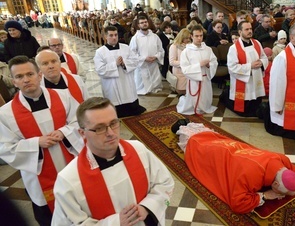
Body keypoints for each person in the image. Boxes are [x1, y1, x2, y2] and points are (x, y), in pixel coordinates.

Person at [52, 97, 174, 225]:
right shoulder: (69, 179)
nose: (110, 133)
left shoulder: (139, 150)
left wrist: (147, 207)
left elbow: (165, 182)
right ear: (82, 133)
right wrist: (115, 222)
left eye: (114, 123)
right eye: (99, 128)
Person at [0, 56, 83, 225]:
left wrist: (63, 132)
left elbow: (80, 121)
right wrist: (36, 143)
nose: (26, 80)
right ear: (14, 82)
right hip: (39, 177)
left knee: (81, 203)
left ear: (39, 75)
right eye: (19, 76)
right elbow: (5, 148)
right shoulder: (5, 114)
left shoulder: (63, 96)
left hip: (71, 163)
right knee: (48, 216)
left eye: (30, 74)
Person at [173, 121, 295, 214]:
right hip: (219, 155)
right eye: (279, 191)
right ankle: (182, 127)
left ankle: (189, 125)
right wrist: (265, 195)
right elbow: (238, 204)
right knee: (201, 147)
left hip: (236, 151)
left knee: (219, 142)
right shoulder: (251, 176)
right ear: (276, 183)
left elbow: (294, 173)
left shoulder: (281, 159)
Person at [94, 25, 146, 118]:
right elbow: (100, 70)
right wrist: (115, 64)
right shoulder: (100, 52)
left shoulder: (125, 47)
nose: (114, 37)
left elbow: (135, 60)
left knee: (130, 97)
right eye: (111, 35)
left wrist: (124, 64)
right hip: (112, 84)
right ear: (105, 36)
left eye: (115, 35)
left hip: (126, 80)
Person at [220, 21, 268, 117]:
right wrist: (250, 66)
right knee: (244, 106)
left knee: (256, 99)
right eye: (246, 29)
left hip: (256, 77)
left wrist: (262, 62)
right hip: (244, 80)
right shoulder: (234, 48)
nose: (250, 31)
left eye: (250, 29)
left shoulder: (257, 43)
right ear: (240, 32)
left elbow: (264, 57)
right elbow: (232, 67)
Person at [176, 25, 218, 115]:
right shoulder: (186, 51)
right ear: (191, 36)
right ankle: (194, 107)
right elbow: (185, 68)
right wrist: (199, 65)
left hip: (205, 78)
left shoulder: (208, 49)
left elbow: (214, 62)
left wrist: (209, 65)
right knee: (194, 100)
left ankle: (205, 106)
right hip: (194, 80)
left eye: (201, 36)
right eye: (196, 36)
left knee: (205, 97)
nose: (199, 38)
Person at [129, 15, 164, 95]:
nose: (144, 24)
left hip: (153, 63)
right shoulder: (135, 38)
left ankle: (155, 87)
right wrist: (144, 58)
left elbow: (161, 50)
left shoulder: (155, 36)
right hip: (142, 64)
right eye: (142, 23)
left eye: (145, 22)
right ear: (138, 25)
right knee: (142, 86)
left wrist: (156, 56)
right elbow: (132, 53)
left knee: (155, 82)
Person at [169, 28, 191, 96]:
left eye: (189, 38)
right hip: (179, 73)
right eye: (186, 38)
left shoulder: (190, 45)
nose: (187, 40)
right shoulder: (174, 46)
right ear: (181, 37)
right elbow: (172, 62)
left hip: (189, 72)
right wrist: (184, 63)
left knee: (190, 91)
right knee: (182, 93)